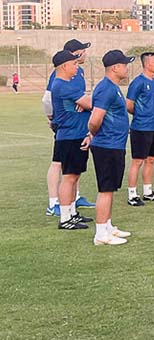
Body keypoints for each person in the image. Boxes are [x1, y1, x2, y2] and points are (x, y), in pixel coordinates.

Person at [43, 38, 96, 216]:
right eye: (82, 51)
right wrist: (53, 118)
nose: (84, 54)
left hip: (77, 129)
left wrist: (82, 100)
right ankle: (56, 205)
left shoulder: (76, 74)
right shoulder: (60, 79)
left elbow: (83, 99)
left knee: (73, 174)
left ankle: (72, 207)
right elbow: (47, 99)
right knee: (61, 167)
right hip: (68, 130)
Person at [87, 50, 135, 245]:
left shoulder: (112, 87)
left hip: (114, 144)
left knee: (111, 188)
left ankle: (107, 226)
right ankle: (100, 235)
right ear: (115, 68)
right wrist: (96, 134)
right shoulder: (106, 88)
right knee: (105, 189)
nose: (126, 68)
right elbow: (94, 120)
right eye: (124, 65)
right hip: (107, 145)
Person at [125, 52, 154, 206]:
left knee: (151, 159)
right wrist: (141, 115)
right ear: (147, 64)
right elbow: (129, 104)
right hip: (141, 127)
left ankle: (148, 192)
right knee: (137, 161)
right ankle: (132, 194)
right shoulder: (138, 83)